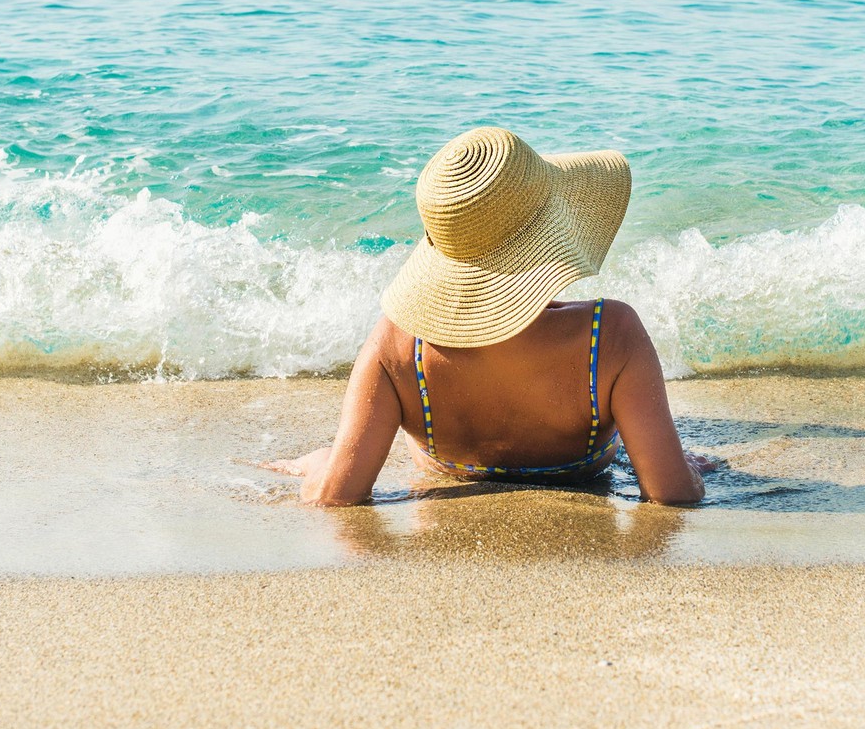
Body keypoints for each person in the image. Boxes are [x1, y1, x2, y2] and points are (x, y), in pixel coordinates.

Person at [264, 126, 715, 506]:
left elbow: (335, 496)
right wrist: (681, 465)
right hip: (585, 473)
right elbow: (672, 494)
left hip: (444, 478)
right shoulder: (610, 336)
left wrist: (319, 462)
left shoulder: (397, 346)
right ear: (554, 230)